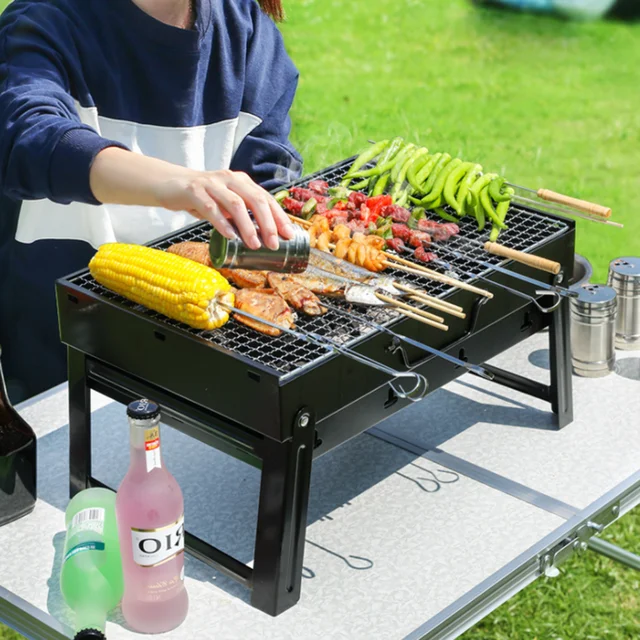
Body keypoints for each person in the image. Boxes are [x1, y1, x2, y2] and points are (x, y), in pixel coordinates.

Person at [0, 0, 302, 403]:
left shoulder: (244, 24)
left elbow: (267, 165)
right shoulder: (45, 20)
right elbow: (28, 136)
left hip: (203, 361)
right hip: (62, 368)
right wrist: (176, 183)